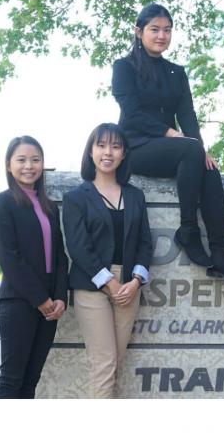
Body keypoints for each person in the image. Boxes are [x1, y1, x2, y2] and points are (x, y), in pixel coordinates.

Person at [112, 3, 224, 280]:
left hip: (171, 149)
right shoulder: (124, 67)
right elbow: (132, 114)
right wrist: (172, 134)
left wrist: (201, 147)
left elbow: (187, 113)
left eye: (167, 30)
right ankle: (188, 229)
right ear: (139, 32)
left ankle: (220, 254)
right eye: (155, 29)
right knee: (190, 150)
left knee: (209, 170)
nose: (162, 35)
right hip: (135, 146)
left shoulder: (176, 71)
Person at [62, 123, 152, 398]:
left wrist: (136, 281)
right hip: (92, 286)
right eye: (101, 145)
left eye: (115, 146)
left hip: (129, 287)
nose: (108, 152)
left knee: (115, 362)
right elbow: (78, 247)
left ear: (124, 153)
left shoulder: (136, 196)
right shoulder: (76, 198)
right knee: (104, 363)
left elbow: (145, 243)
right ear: (91, 151)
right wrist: (110, 283)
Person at [0, 136, 68, 399]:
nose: (29, 166)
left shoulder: (49, 207)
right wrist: (40, 298)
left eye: (35, 160)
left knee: (31, 379)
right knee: (12, 379)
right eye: (21, 160)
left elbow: (59, 257)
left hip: (49, 307)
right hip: (18, 302)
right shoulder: (1, 203)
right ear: (8, 165)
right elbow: (9, 258)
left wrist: (59, 298)